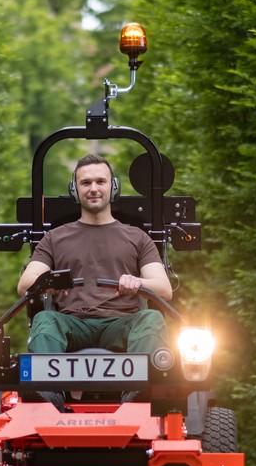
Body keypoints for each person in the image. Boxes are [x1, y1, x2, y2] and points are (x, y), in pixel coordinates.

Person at [17, 154, 172, 361]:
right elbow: (24, 285)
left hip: (121, 324)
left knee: (151, 318)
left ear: (113, 187)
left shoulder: (138, 237)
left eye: (100, 181)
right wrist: (48, 282)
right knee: (45, 319)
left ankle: (137, 391)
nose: (93, 189)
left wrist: (137, 282)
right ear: (75, 189)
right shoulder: (54, 238)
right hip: (71, 324)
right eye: (85, 183)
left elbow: (164, 289)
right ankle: (48, 393)